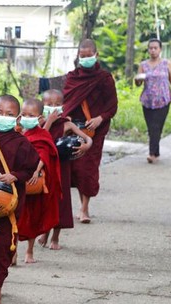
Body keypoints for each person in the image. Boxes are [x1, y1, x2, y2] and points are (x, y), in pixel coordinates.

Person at [0, 95, 39, 304]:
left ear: (17, 118)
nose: (2, 117)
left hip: (9, 202)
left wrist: (14, 175)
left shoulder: (21, 143)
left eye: (8, 114)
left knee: (3, 245)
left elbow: (29, 169)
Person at [62, 39, 118, 224]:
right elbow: (67, 104)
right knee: (75, 169)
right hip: (74, 129)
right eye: (82, 56)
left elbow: (112, 106)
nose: (85, 59)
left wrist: (100, 118)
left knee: (88, 169)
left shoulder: (104, 78)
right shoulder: (72, 78)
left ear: (96, 55)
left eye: (89, 56)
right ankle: (78, 206)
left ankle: (84, 208)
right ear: (78, 56)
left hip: (95, 130)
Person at [38, 89, 92, 250]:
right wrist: (48, 121)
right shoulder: (38, 124)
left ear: (63, 106)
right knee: (45, 201)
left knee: (61, 202)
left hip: (62, 169)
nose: (53, 108)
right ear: (42, 106)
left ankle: (55, 238)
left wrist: (85, 146)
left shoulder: (67, 124)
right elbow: (40, 137)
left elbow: (87, 138)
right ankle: (44, 233)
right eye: (48, 105)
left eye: (56, 104)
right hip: (45, 167)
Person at [16, 98, 61, 264]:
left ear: (40, 118)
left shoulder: (42, 134)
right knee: (15, 218)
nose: (27, 117)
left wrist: (35, 171)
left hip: (32, 181)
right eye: (24, 114)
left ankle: (29, 251)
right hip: (17, 178)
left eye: (31, 115)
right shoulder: (17, 131)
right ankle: (13, 252)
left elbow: (43, 153)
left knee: (32, 218)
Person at [135, 39, 171, 163]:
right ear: (148, 50)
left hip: (163, 100)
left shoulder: (167, 64)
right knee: (151, 127)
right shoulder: (143, 65)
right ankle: (155, 152)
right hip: (147, 101)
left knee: (157, 126)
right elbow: (138, 83)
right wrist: (138, 79)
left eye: (155, 48)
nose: (153, 50)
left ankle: (152, 153)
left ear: (160, 49)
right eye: (150, 48)